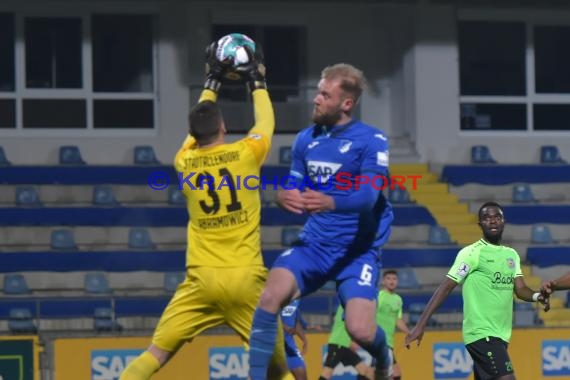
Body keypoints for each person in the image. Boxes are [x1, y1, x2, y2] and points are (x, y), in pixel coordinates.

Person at [120, 39, 291, 379]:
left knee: (155, 354)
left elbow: (194, 133)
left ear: (193, 135)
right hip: (245, 278)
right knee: (278, 370)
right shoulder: (246, 154)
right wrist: (257, 82)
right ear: (224, 128)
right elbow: (265, 124)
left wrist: (211, 84)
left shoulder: (184, 162)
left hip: (201, 280)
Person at [248, 63, 394, 380]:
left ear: (346, 104)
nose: (316, 99)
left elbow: (369, 197)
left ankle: (384, 357)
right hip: (315, 244)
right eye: (318, 92)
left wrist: (331, 201)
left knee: (360, 330)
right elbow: (293, 184)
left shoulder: (372, 140)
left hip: (357, 251)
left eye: (325, 95)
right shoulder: (305, 140)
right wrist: (282, 196)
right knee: (270, 297)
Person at [405, 201, 550, 380]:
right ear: (480, 224)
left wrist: (537, 296)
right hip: (481, 334)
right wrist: (420, 325)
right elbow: (446, 287)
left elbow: (520, 289)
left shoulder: (511, 255)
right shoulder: (472, 253)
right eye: (487, 218)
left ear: (503, 221)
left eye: (497, 217)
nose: (493, 221)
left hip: (501, 335)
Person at [320, 305, 375, 380]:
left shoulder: (347, 304)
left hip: (344, 344)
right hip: (338, 343)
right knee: (328, 372)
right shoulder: (350, 305)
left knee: (364, 371)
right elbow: (350, 324)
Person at [376, 270, 409, 380]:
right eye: (388, 278)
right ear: (383, 281)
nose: (391, 281)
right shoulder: (379, 296)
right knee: (390, 374)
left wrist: (409, 333)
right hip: (379, 341)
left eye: (394, 279)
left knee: (395, 374)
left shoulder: (398, 299)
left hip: (389, 342)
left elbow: (397, 320)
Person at [281, 299, 308, 380]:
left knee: (302, 374)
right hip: (273, 345)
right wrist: (285, 327)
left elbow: (296, 320)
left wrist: (304, 339)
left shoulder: (296, 299)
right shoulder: (277, 295)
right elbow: (269, 316)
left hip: (289, 345)